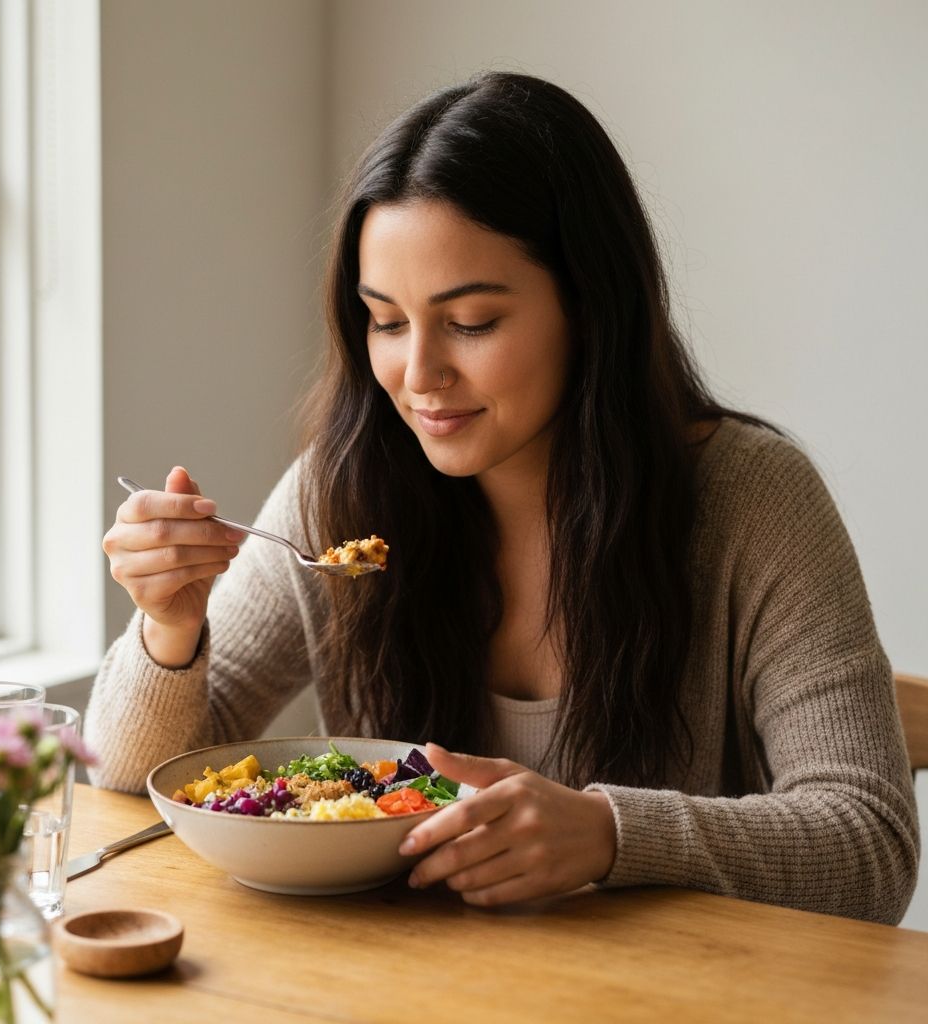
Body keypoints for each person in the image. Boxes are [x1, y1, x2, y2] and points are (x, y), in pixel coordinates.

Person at [85, 71, 918, 923]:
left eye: (472, 321)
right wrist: (170, 630)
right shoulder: (344, 493)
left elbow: (871, 846)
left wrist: (608, 833)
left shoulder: (754, 500)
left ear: (591, 307)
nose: (418, 378)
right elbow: (125, 772)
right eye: (386, 320)